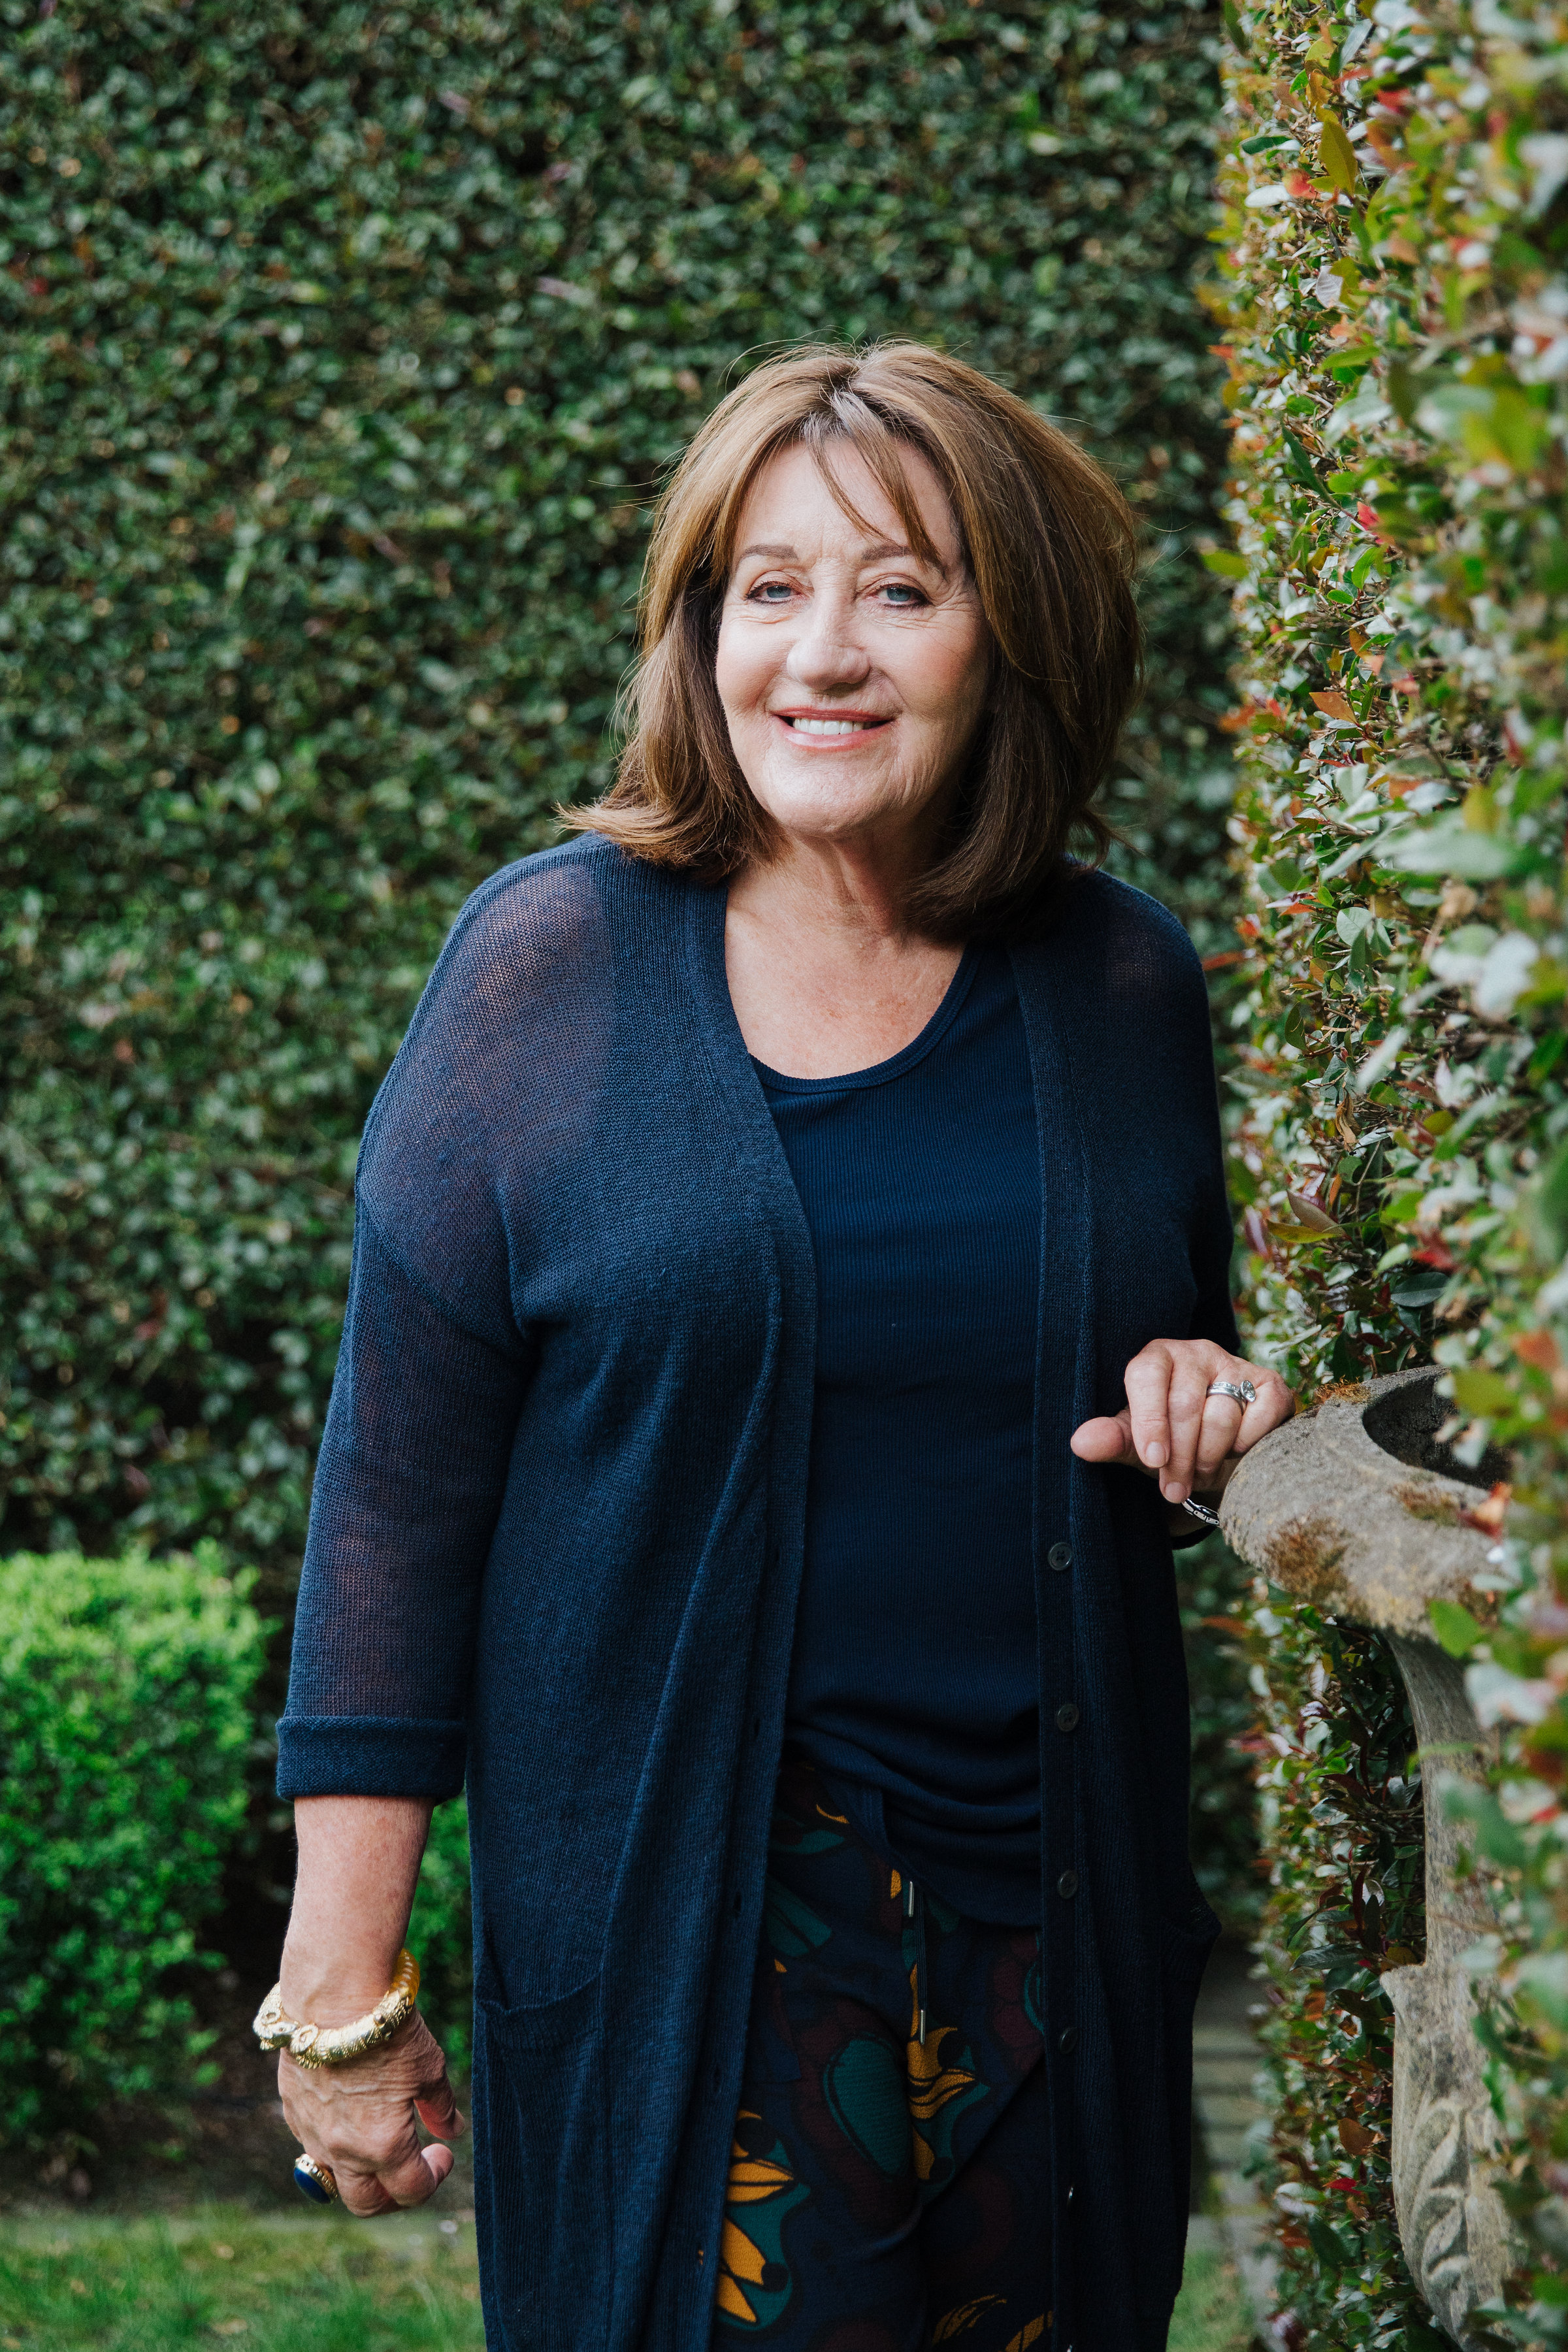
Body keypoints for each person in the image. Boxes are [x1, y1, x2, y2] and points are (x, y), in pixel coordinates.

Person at [269, 341, 1294, 2352]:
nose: (820, 653)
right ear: (699, 633)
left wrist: (1210, 1400)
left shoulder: (1118, 979)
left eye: (901, 588)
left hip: (1051, 1929)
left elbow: (1151, 1378)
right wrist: (340, 1996)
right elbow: (396, 1504)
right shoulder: (547, 977)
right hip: (696, 1937)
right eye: (767, 588)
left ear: (1016, 635)